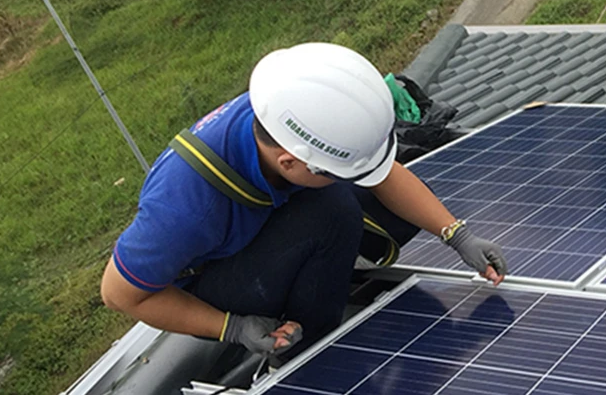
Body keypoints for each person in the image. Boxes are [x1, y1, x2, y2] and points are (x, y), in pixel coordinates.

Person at [100, 42, 508, 361]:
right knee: (332, 211)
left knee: (374, 209)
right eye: (335, 169)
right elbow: (119, 294)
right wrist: (231, 327)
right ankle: (309, 347)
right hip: (209, 283)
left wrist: (457, 235)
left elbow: (381, 173)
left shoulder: (290, 110)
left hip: (256, 230)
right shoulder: (184, 208)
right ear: (290, 163)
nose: (352, 177)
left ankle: (317, 273)